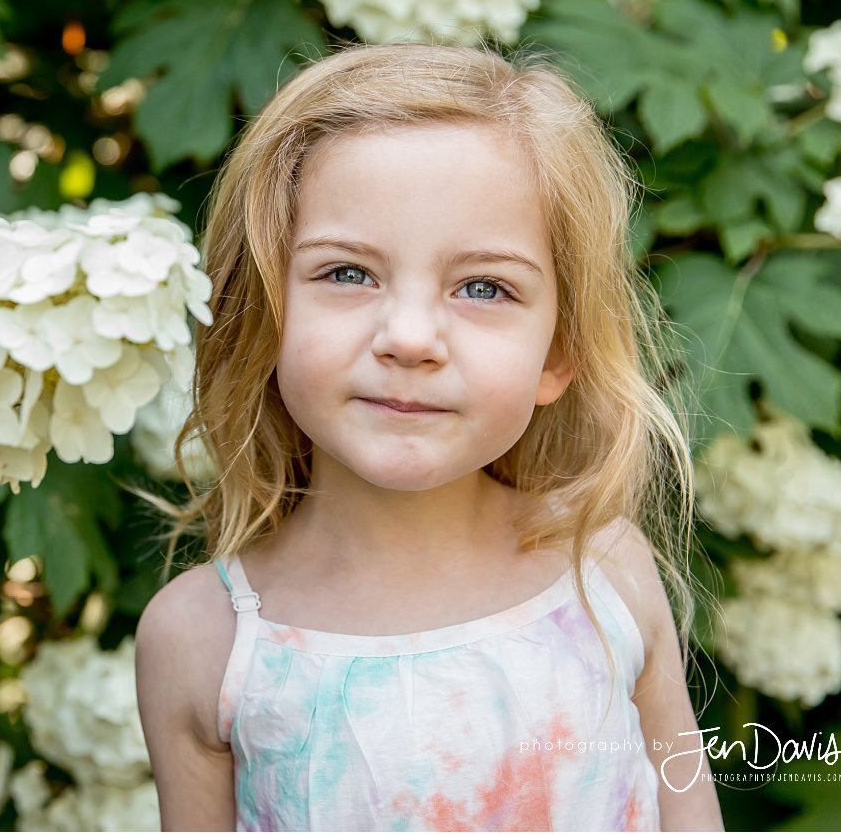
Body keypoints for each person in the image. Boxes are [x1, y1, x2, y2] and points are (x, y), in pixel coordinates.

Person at [132, 41, 726, 832]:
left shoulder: (604, 574)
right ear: (262, 312)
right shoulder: (206, 641)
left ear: (558, 352)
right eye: (348, 273)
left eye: (484, 287)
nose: (409, 337)